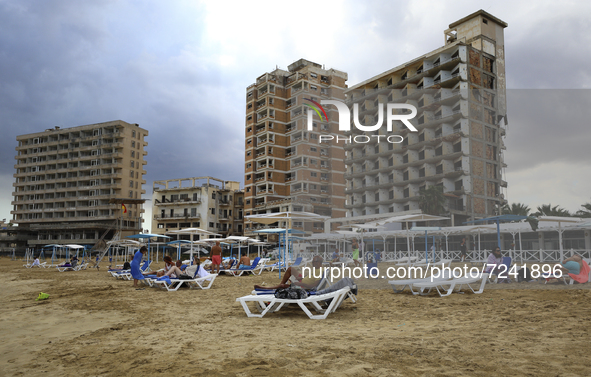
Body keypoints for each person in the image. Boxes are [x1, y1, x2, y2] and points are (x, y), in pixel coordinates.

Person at [254, 256, 325, 290]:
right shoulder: (317, 268)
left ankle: (266, 288)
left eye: (313, 262)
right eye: (312, 261)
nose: (312, 263)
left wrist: (300, 283)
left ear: (318, 262)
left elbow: (313, 286)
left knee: (283, 287)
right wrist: (301, 277)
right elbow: (311, 276)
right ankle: (280, 284)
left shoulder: (320, 271)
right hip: (302, 281)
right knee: (290, 269)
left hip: (303, 287)